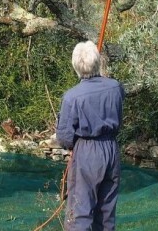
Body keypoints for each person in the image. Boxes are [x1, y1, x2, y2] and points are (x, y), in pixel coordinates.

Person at [56, 41, 125, 231]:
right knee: (106, 212)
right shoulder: (115, 87)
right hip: (111, 149)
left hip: (87, 151)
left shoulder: (72, 96)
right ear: (97, 62)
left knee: (80, 211)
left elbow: (65, 137)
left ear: (75, 66)